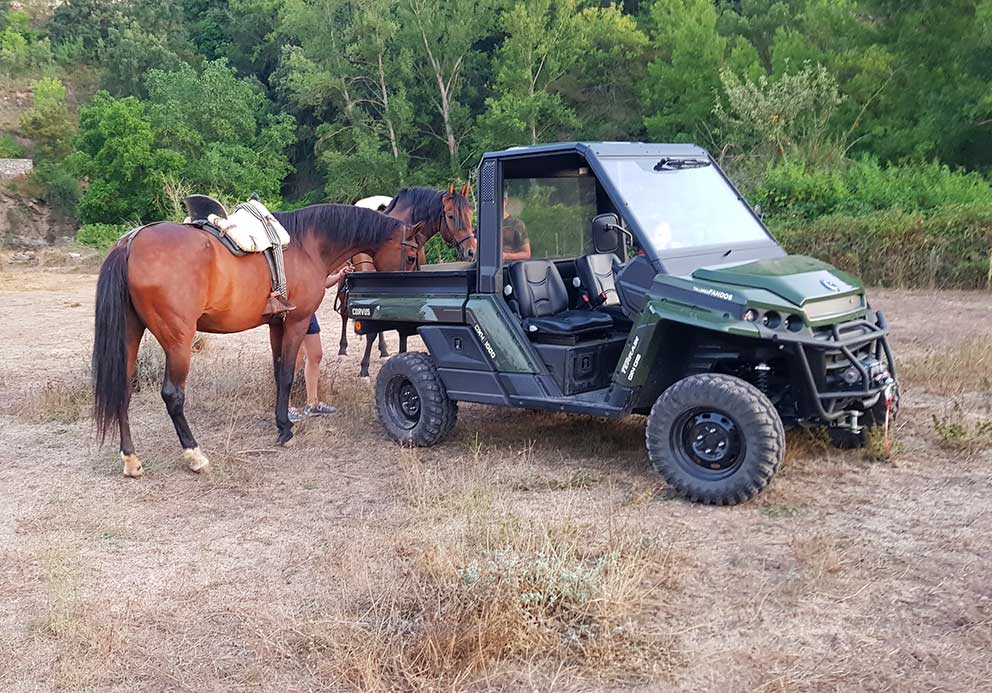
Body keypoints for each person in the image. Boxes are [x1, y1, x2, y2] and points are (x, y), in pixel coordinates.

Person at [289, 265, 351, 423]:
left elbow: (322, 282)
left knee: (316, 355)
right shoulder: (296, 258)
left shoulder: (313, 262)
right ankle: (285, 406)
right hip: (293, 311)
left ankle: (312, 403)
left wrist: (339, 275)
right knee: (293, 360)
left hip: (308, 311)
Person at [502, 192, 531, 261]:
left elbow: (527, 254)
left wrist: (506, 256)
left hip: (508, 267)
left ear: (505, 201)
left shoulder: (517, 224)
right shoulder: (484, 224)